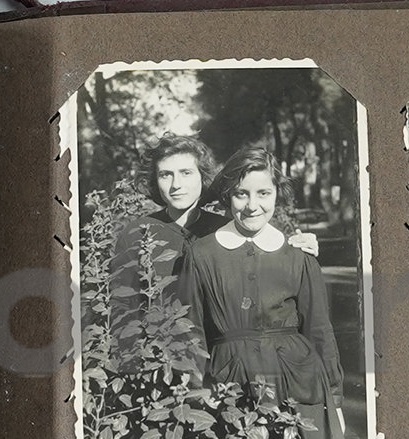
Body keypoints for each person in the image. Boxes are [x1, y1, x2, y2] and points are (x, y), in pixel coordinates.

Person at [175, 148, 350, 439]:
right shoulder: (201, 255)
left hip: (298, 388)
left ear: (276, 194)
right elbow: (191, 332)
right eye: (241, 194)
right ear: (228, 195)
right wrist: (197, 393)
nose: (253, 205)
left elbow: (319, 330)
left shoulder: (298, 255)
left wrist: (335, 399)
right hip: (231, 388)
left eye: (263, 193)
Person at [107, 134, 319, 363]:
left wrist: (298, 245)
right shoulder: (137, 233)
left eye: (186, 173)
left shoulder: (226, 231)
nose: (176, 185)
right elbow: (122, 311)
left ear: (202, 176)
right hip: (158, 361)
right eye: (166, 174)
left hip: (225, 362)